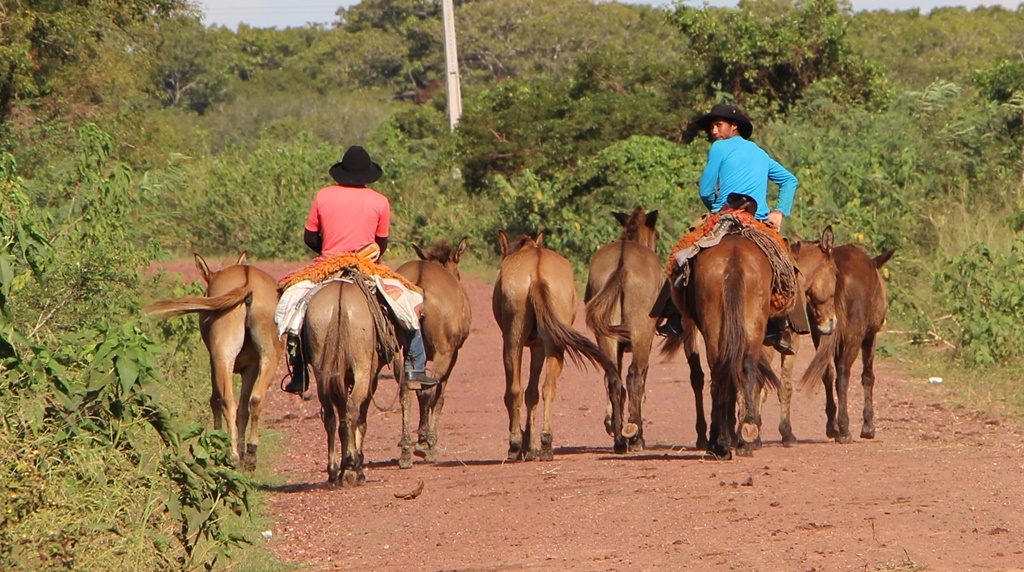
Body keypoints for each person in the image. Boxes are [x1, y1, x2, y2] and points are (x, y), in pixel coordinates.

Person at [281, 145, 437, 395]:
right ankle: (414, 368)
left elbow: (309, 237)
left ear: (341, 173)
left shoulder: (323, 196)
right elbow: (381, 243)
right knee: (410, 306)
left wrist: (331, 251)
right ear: (367, 175)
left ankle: (298, 370)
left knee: (293, 307)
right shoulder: (380, 201)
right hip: (365, 266)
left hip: (326, 267)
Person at [655, 103, 803, 354]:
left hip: (724, 215)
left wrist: (716, 208)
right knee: (785, 263)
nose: (713, 129)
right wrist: (779, 212)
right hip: (758, 221)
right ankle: (783, 325)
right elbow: (790, 180)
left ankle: (674, 315)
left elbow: (705, 188)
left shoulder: (719, 148)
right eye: (712, 126)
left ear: (734, 126)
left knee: (682, 254)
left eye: (718, 124)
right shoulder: (760, 153)